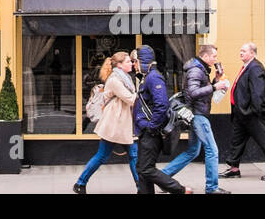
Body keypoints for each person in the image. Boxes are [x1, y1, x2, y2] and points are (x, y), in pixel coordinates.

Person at [162, 42, 231, 194]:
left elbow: (200, 91)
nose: (215, 59)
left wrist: (215, 80)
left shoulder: (201, 69)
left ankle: (163, 177)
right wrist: (214, 87)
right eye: (213, 56)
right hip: (198, 115)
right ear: (205, 56)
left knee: (193, 151)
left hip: (196, 113)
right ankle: (212, 188)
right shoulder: (196, 70)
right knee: (212, 150)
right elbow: (193, 93)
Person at [72, 52, 140, 194]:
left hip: (124, 124)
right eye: (128, 61)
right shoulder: (115, 79)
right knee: (102, 155)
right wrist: (146, 96)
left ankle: (141, 188)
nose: (132, 64)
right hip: (114, 124)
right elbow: (130, 99)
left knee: (134, 155)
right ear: (119, 65)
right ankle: (80, 183)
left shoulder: (125, 77)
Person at [132, 44, 192, 194]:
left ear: (142, 61)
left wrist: (152, 127)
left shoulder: (154, 77)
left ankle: (180, 190)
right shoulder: (147, 77)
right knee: (142, 169)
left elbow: (162, 104)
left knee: (146, 169)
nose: (133, 65)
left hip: (151, 132)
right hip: (146, 131)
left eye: (135, 61)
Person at [220, 42, 265, 181]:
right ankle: (234, 169)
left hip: (252, 115)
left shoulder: (255, 68)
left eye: (243, 51)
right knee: (236, 141)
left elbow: (257, 93)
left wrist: (252, 112)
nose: (240, 53)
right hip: (242, 114)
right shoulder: (248, 67)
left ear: (252, 53)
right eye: (240, 50)